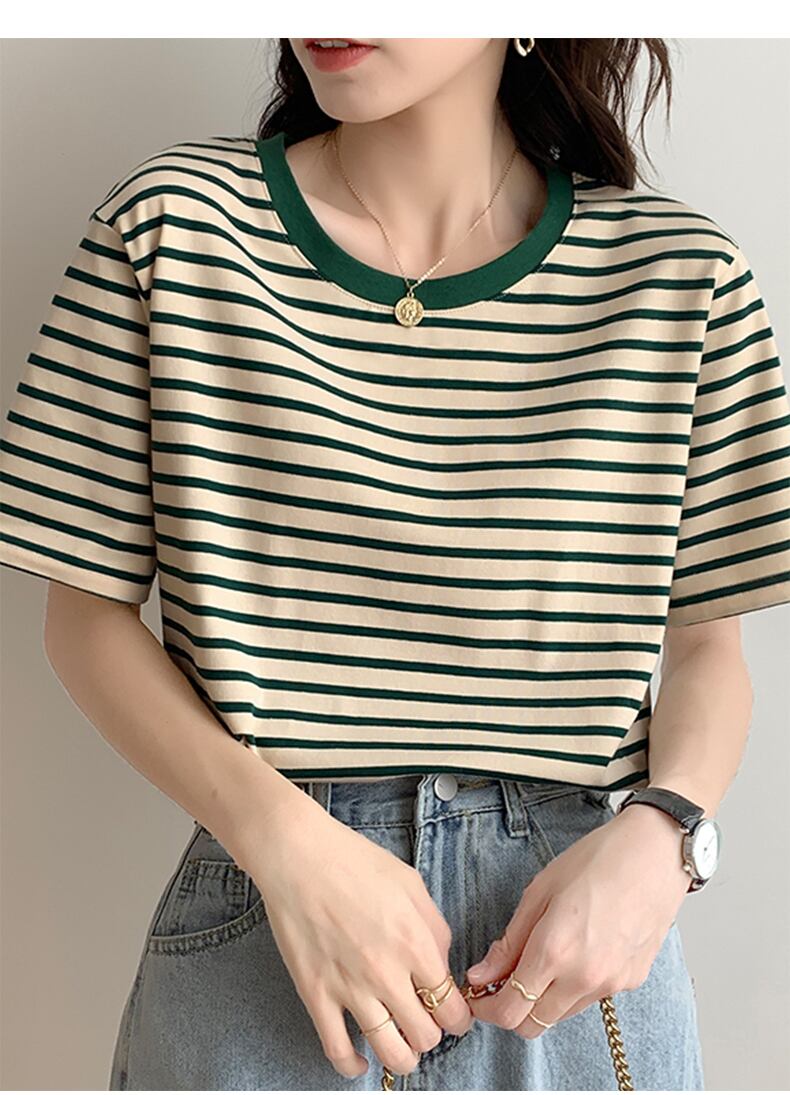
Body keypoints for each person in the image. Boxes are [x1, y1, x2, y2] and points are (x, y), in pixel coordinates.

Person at [1, 37, 789, 1092]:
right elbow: (84, 618)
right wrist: (283, 842)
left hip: (569, 951)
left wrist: (666, 840)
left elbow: (708, 651)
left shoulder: (679, 278)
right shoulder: (174, 228)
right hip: (271, 924)